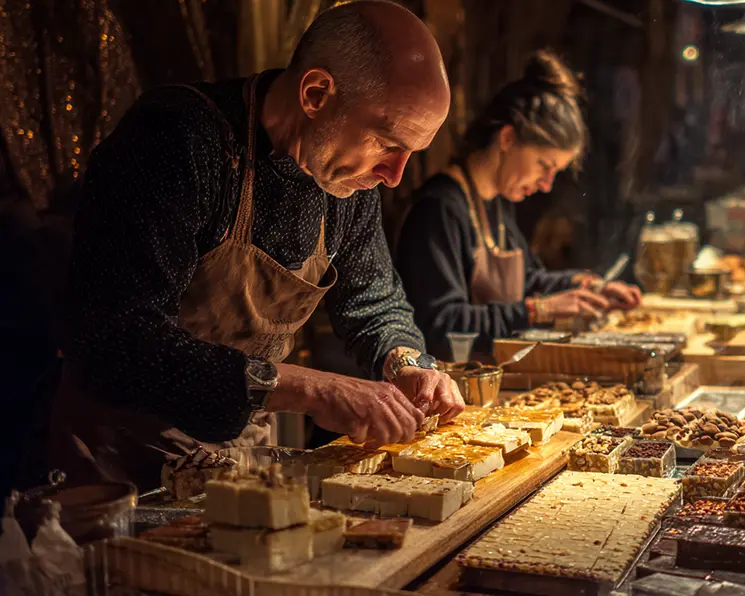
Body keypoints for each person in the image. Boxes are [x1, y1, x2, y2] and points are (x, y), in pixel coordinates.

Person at [47, 0, 464, 492]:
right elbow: (114, 340)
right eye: (388, 143)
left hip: (234, 464)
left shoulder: (345, 178)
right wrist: (308, 387)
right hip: (120, 469)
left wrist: (407, 360)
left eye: (412, 153)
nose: (395, 177)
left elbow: (372, 300)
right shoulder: (178, 141)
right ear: (316, 93)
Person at [395, 51, 642, 361]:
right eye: (544, 165)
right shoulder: (438, 210)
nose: (546, 184)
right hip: (448, 389)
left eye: (556, 172)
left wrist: (589, 286)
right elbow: (441, 325)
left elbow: (527, 282)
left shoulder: (497, 204)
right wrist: (538, 310)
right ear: (508, 138)